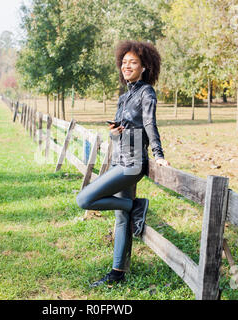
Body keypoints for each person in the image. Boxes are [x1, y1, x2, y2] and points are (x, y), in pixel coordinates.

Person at [76, 40, 170, 288]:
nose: (126, 66)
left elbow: (149, 125)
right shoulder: (124, 96)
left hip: (132, 163)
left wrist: (158, 154)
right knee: (121, 217)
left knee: (84, 200)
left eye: (133, 63)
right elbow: (120, 132)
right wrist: (115, 132)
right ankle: (117, 272)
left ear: (144, 67)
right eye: (124, 62)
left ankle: (135, 205)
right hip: (119, 158)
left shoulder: (146, 93)